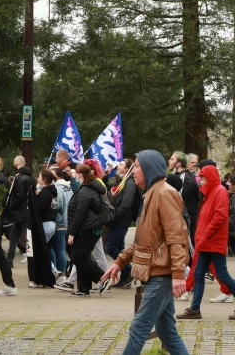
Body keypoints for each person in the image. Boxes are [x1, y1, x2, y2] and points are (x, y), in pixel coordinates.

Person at [101, 150, 190, 355]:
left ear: (149, 169)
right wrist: (119, 262)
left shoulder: (164, 193)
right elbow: (144, 240)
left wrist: (177, 275)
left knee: (138, 327)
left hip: (162, 274)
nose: (133, 171)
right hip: (157, 272)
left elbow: (177, 237)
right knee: (167, 332)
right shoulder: (152, 193)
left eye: (138, 167)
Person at [177, 165, 235, 320]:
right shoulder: (211, 192)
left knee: (222, 275)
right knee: (198, 274)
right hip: (206, 242)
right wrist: (202, 236)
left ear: (209, 177)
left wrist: (206, 233)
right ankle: (195, 309)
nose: (200, 180)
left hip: (213, 241)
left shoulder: (219, 191)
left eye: (202, 177)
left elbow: (220, 216)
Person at [67, 163, 108, 296]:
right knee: (82, 256)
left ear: (79, 174)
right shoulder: (90, 188)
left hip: (87, 228)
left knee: (78, 257)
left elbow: (80, 213)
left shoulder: (85, 191)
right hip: (91, 227)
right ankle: (83, 288)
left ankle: (103, 278)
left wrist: (72, 233)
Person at [105, 158, 140, 288]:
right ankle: (125, 278)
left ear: (126, 169)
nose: (117, 166)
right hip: (117, 219)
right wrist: (105, 175)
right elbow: (106, 188)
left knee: (110, 247)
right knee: (119, 248)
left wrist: (114, 216)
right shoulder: (121, 181)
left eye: (120, 165)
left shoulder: (129, 183)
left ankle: (128, 270)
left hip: (120, 220)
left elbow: (126, 203)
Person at [6, 156, 33, 266]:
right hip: (27, 210)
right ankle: (9, 260)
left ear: (16, 163)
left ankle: (10, 260)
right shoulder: (31, 177)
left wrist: (12, 205)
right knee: (17, 235)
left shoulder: (19, 177)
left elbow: (19, 195)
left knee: (19, 237)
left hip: (20, 211)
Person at [170, 151, 201, 244]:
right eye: (193, 162)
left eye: (172, 159)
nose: (169, 161)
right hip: (185, 217)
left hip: (187, 217)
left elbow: (180, 200)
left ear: (179, 163)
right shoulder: (184, 175)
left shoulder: (185, 177)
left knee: (189, 245)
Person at [36, 170, 61, 280]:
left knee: (39, 250)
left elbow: (40, 207)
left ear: (44, 179)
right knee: (44, 248)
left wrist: (35, 199)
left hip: (45, 223)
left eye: (39, 176)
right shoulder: (52, 191)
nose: (38, 178)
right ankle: (50, 271)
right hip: (51, 223)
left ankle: (53, 270)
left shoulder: (46, 192)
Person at [50, 168, 72, 282]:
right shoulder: (68, 187)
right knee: (60, 250)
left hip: (59, 222)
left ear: (57, 177)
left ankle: (60, 274)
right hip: (67, 221)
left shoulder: (58, 188)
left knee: (57, 250)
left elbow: (58, 205)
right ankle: (61, 273)